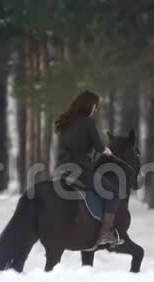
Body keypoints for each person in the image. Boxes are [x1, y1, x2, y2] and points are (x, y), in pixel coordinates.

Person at [54, 90, 123, 248]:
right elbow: (98, 147)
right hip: (79, 172)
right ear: (89, 106)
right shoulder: (87, 122)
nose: (95, 110)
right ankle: (105, 233)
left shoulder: (65, 121)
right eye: (95, 106)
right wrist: (107, 150)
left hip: (61, 171)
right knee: (113, 192)